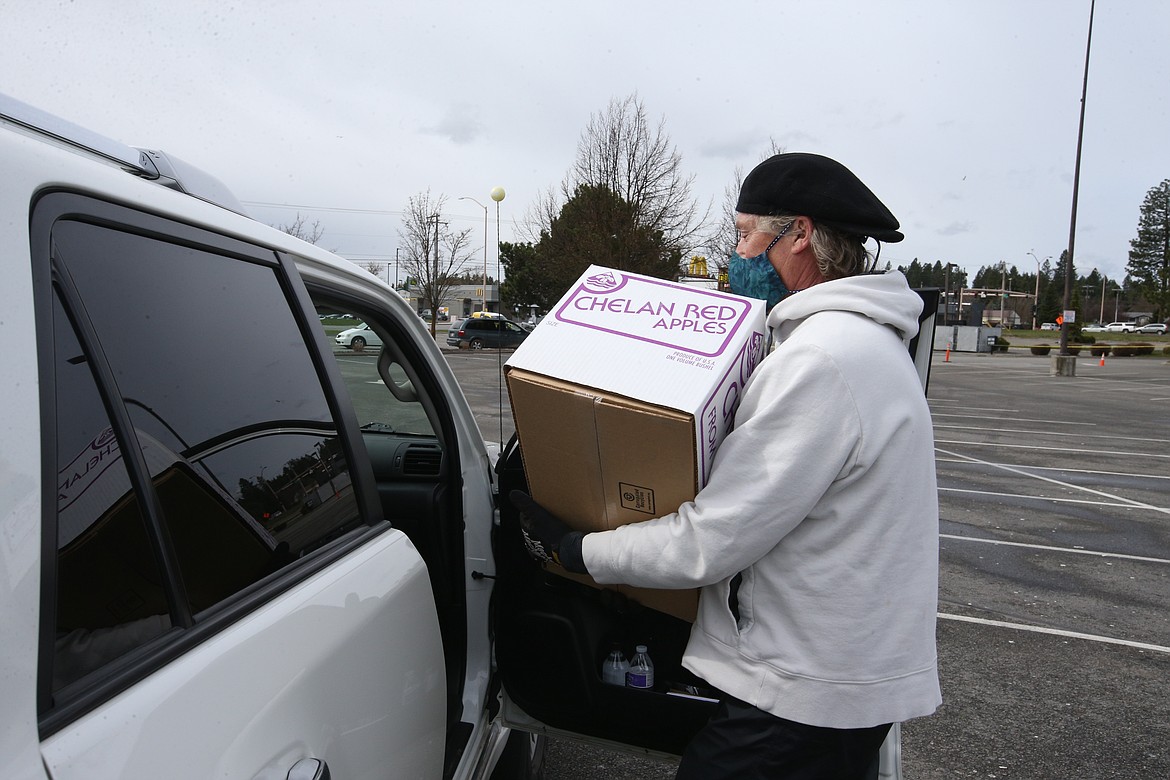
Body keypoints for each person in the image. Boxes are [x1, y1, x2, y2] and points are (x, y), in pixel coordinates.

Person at [511, 152, 940, 779]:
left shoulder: (822, 359)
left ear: (799, 234)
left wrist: (578, 551)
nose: (735, 255)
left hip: (803, 693)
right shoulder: (865, 344)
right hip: (832, 677)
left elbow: (714, 539)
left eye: (744, 235)